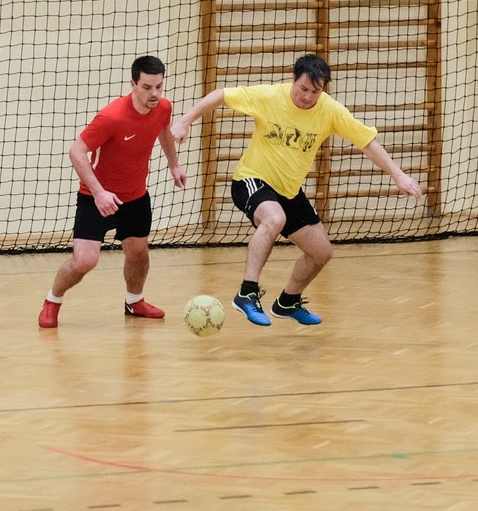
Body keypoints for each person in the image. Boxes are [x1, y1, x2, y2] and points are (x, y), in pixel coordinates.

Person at [169, 54, 421, 327]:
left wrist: (398, 175)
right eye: (303, 89)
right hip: (252, 179)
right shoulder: (270, 96)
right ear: (293, 80)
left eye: (315, 91)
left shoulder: (330, 110)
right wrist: (184, 121)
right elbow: (221, 95)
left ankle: (288, 301)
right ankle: (247, 293)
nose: (308, 97)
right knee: (274, 218)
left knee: (321, 253)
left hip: (288, 191)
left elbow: (367, 142)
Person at [38, 56, 187, 329]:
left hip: (135, 196)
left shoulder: (163, 107)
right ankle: (52, 300)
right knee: (84, 261)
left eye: (159, 86)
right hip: (96, 198)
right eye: (147, 87)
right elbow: (76, 152)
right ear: (133, 84)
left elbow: (164, 131)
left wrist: (174, 165)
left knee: (139, 253)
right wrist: (99, 193)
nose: (154, 94)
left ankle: (134, 301)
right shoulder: (112, 117)